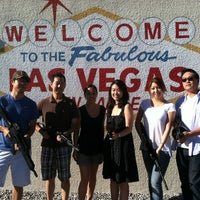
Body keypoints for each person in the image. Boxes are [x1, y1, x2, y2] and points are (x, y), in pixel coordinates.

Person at [35, 72, 79, 200]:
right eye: (57, 83)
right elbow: (32, 122)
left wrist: (66, 134)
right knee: (49, 177)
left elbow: (75, 126)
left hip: (64, 146)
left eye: (62, 83)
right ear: (51, 85)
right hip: (47, 146)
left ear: (65, 85)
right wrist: (42, 132)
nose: (59, 85)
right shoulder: (43, 103)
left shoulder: (70, 103)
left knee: (64, 177)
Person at [135, 77, 176, 200]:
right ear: (149, 90)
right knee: (151, 180)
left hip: (162, 150)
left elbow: (168, 127)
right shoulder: (145, 104)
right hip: (147, 148)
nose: (155, 90)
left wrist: (160, 147)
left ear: (163, 88)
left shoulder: (170, 106)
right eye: (152, 88)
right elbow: (137, 123)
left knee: (155, 181)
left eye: (158, 87)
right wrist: (143, 139)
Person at [0, 70, 38, 200]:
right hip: (3, 149)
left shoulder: (31, 104)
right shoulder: (2, 101)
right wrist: (4, 129)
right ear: (12, 82)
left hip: (22, 151)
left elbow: (33, 126)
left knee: (18, 184)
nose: (22, 83)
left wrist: (28, 135)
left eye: (25, 81)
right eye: (19, 80)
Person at [102, 79, 139, 200]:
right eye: (113, 90)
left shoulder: (127, 106)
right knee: (113, 178)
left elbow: (129, 128)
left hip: (123, 146)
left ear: (123, 91)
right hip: (111, 146)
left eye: (118, 90)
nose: (115, 93)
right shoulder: (109, 108)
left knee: (122, 180)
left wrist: (118, 135)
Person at [73, 84, 106, 200]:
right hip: (83, 149)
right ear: (85, 95)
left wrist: (103, 148)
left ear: (97, 94)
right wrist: (75, 148)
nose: (91, 96)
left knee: (93, 177)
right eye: (88, 93)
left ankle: (89, 198)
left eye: (93, 93)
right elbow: (76, 131)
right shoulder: (80, 110)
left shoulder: (102, 110)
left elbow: (102, 128)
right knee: (84, 178)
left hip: (97, 148)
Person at [172, 68, 200, 200]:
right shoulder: (180, 102)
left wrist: (190, 134)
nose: (188, 81)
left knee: (195, 183)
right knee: (184, 183)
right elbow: (176, 121)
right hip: (182, 148)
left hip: (198, 148)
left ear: (197, 80)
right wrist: (177, 130)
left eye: (191, 78)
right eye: (184, 80)